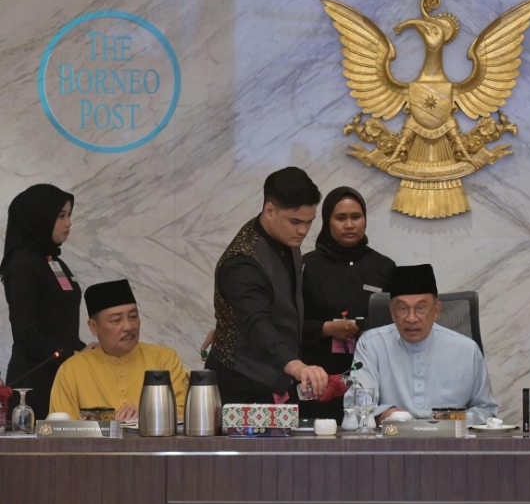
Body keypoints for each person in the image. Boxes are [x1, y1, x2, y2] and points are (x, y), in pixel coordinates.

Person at [207, 167, 328, 405]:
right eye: (295, 221)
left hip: (277, 378)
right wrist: (296, 366)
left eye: (309, 222)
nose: (303, 231)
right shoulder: (242, 262)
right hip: (239, 384)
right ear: (269, 210)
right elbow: (256, 324)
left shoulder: (285, 236)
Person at [351, 264, 497, 424]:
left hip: (450, 443)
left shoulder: (466, 349)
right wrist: (382, 414)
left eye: (420, 308)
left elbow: (486, 410)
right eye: (403, 308)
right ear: (392, 311)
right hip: (392, 441)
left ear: (436, 310)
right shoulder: (371, 344)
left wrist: (448, 420)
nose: (411, 318)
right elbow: (358, 402)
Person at [300, 186, 395, 421]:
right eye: (341, 218)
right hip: (320, 376)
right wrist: (326, 328)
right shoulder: (306, 267)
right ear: (327, 222)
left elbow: (397, 323)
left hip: (372, 375)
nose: (350, 224)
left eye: (356, 217)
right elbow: (288, 322)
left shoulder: (384, 267)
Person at [1, 184, 87, 418]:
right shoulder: (22, 265)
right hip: (35, 382)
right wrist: (69, 354)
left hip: (62, 374)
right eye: (61, 216)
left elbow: (59, 321)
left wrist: (82, 349)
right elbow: (26, 333)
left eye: (69, 215)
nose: (68, 223)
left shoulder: (52, 260)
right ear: (39, 217)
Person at [49, 279, 188, 420]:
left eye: (133, 316)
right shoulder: (72, 370)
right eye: (116, 320)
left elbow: (185, 413)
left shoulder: (164, 359)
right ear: (94, 327)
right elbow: (61, 426)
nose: (128, 326)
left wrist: (148, 413)